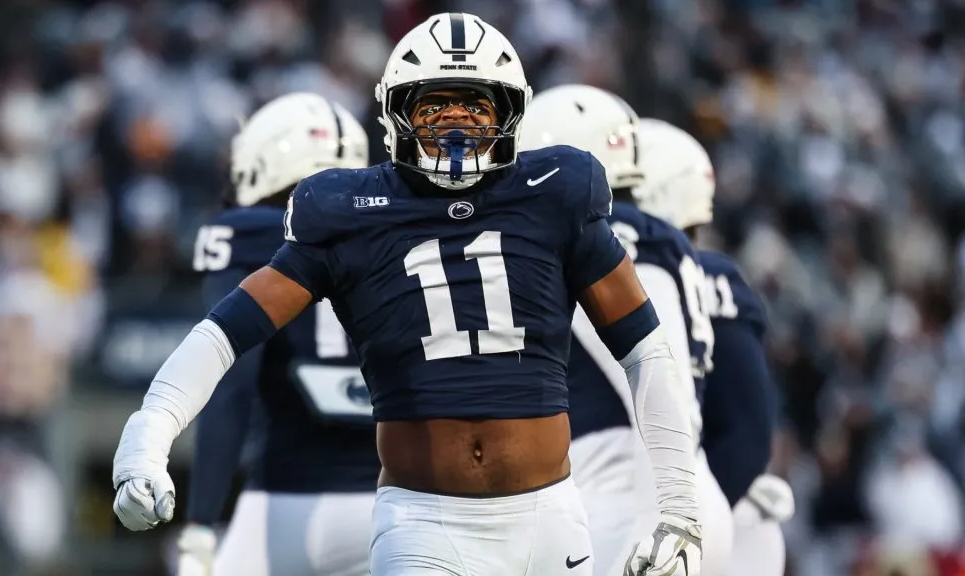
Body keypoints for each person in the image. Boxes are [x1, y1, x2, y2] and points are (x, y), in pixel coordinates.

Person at [110, 13, 702, 576]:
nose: (456, 123)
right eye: (435, 103)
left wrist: (680, 509)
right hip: (424, 520)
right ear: (397, 115)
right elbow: (225, 333)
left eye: (476, 104)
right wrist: (148, 431)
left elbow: (645, 353)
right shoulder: (350, 212)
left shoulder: (556, 194)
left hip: (549, 518)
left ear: (510, 113)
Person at [519, 84, 729, 576]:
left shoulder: (607, 237)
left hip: (639, 492)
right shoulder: (662, 234)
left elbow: (655, 372)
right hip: (683, 481)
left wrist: (669, 509)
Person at [176, 92, 378, 576]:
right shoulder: (391, 227)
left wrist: (201, 522)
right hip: (394, 499)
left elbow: (232, 384)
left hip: (285, 500)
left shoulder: (247, 234)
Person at [634, 118, 793, 576]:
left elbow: (748, 428)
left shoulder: (693, 276)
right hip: (701, 502)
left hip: (704, 508)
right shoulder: (698, 273)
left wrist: (690, 515)